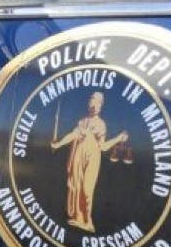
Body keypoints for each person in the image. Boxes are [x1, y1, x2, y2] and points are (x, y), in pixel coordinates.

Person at [51, 92, 128, 232]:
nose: (95, 106)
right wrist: (58, 144)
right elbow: (73, 135)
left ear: (101, 106)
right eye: (93, 102)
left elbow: (103, 147)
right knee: (77, 187)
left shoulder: (101, 124)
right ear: (89, 105)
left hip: (92, 158)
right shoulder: (82, 122)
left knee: (87, 190)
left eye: (98, 103)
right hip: (78, 158)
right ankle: (79, 218)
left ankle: (88, 222)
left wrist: (118, 138)